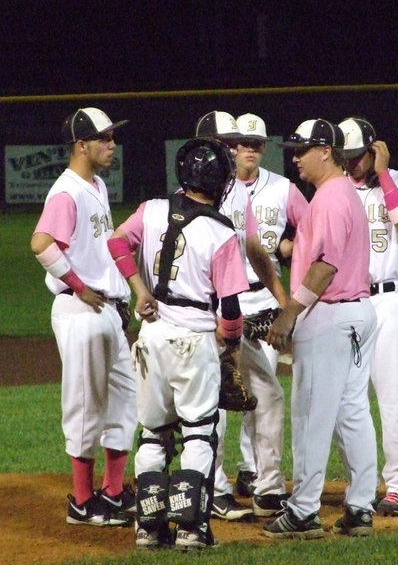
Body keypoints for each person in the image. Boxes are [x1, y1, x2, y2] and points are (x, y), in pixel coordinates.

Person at [108, 138, 249, 549]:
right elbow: (231, 309)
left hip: (151, 339)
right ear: (221, 181)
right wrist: (231, 347)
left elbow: (117, 243)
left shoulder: (150, 210)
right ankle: (192, 528)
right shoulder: (221, 232)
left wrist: (139, 289)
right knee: (199, 434)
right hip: (194, 340)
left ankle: (148, 529)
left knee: (153, 434)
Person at [263, 119, 378, 540]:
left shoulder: (330, 197)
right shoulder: (342, 193)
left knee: (311, 414)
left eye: (301, 150)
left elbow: (326, 265)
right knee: (352, 413)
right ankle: (361, 507)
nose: (294, 158)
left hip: (330, 316)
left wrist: (290, 311)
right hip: (357, 313)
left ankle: (304, 510)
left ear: (327, 151)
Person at [30, 107, 136, 527]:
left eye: (112, 137)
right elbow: (41, 244)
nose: (112, 145)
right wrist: (76, 283)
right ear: (81, 144)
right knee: (85, 405)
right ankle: (80, 500)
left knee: (126, 399)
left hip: (105, 309)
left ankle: (111, 492)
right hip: (81, 309)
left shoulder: (96, 186)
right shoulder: (67, 191)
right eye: (104, 138)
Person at [193, 110, 289, 522]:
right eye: (226, 143)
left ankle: (268, 488)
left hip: (236, 317)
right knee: (208, 407)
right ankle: (211, 490)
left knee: (267, 394)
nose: (234, 149)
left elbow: (255, 249)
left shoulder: (236, 195)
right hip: (199, 319)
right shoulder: (179, 200)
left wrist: (283, 301)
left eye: (235, 143)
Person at [337, 116, 398, 516]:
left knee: (394, 398)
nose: (353, 164)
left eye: (359, 156)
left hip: (388, 300)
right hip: (348, 303)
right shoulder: (335, 189)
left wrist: (384, 174)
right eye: (347, 157)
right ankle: (362, 480)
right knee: (347, 400)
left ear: (375, 150)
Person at [232, 113, 309, 517]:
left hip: (264, 300)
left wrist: (289, 243)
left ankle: (254, 470)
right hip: (223, 302)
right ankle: (247, 470)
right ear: (231, 146)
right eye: (243, 141)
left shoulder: (282, 188)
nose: (249, 148)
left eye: (257, 142)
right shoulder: (215, 190)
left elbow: (311, 226)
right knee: (234, 391)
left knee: (260, 392)